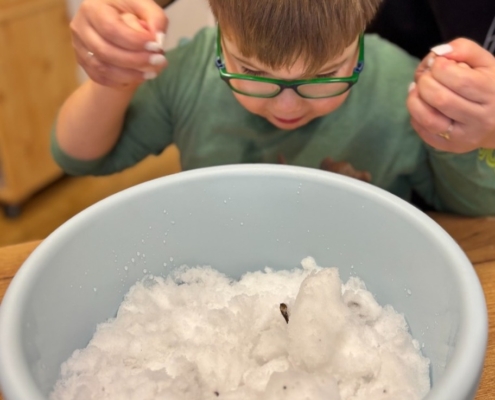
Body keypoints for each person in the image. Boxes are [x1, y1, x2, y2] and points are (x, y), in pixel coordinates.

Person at [52, 0, 495, 216]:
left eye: (324, 75)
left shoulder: (404, 87)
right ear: (218, 25)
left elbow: (471, 208)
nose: (286, 106)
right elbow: (78, 155)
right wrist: (116, 77)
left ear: (361, 31)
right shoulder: (190, 73)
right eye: (251, 71)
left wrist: (451, 132)